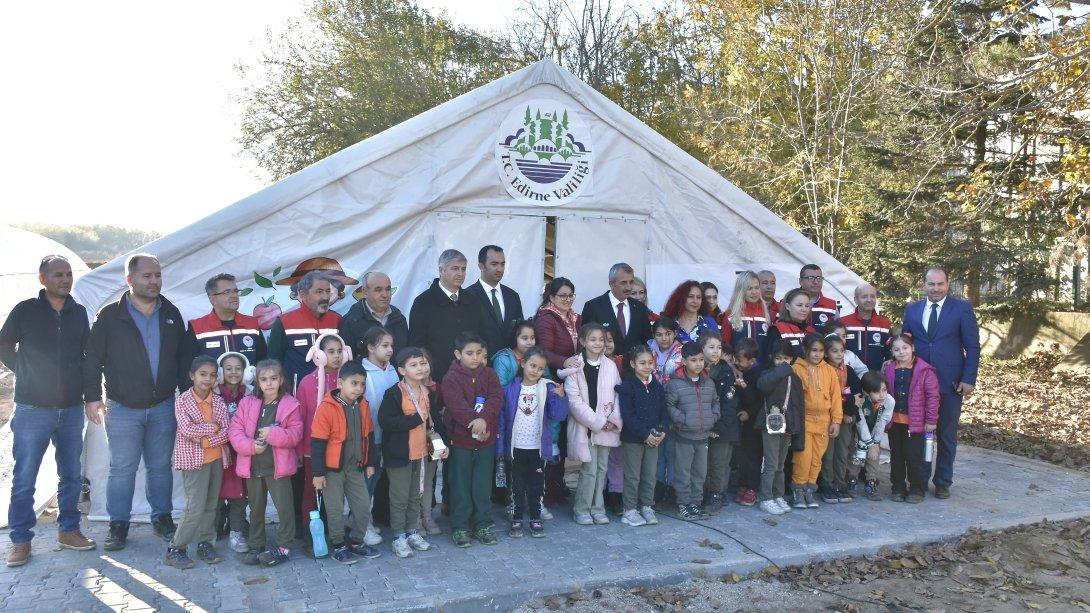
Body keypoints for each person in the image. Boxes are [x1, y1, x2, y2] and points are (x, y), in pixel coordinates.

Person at [82, 254, 188, 551]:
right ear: (130, 280)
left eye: (158, 275)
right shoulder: (110, 316)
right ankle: (118, 525)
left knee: (160, 467)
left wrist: (188, 398)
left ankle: (162, 518)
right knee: (122, 469)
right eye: (147, 276)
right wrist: (92, 397)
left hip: (163, 406)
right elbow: (92, 359)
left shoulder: (170, 312)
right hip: (123, 407)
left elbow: (181, 360)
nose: (154, 281)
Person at [0, 255, 95, 566]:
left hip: (70, 408)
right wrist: (24, 372)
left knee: (70, 474)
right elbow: (3, 345)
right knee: (24, 476)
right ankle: (21, 540)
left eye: (68, 274)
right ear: (43, 279)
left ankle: (69, 530)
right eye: (57, 275)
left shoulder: (78, 313)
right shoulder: (25, 310)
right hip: (32, 409)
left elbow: (87, 356)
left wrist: (90, 394)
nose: (65, 280)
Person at [900, 267, 980, 499]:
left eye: (940, 284)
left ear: (947, 284)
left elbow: (972, 346)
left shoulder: (962, 309)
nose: (935, 289)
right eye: (931, 284)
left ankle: (943, 481)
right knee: (918, 434)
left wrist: (968, 379)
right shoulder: (913, 309)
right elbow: (906, 342)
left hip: (950, 383)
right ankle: (920, 479)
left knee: (946, 435)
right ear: (924, 285)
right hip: (918, 384)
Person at [229, 359, 303, 567]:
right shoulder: (247, 403)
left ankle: (284, 546)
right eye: (264, 379)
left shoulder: (290, 404)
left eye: (273, 379)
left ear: (281, 380)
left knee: (284, 507)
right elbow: (235, 432)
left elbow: (295, 434)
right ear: (257, 382)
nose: (269, 383)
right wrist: (251, 447)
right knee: (256, 507)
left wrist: (273, 435)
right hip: (253, 466)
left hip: (277, 467)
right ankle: (256, 544)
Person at [379, 347, 448, 557]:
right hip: (400, 456)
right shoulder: (394, 393)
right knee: (399, 497)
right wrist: (414, 419)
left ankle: (411, 531)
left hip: (421, 454)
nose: (421, 368)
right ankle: (398, 536)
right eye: (414, 365)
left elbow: (434, 423)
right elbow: (386, 421)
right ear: (401, 370)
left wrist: (442, 445)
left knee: (414, 496)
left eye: (423, 363)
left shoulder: (429, 393)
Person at [311, 360, 382, 564]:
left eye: (362, 384)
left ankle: (357, 542)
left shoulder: (363, 405)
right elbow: (317, 442)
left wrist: (370, 463)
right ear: (340, 383)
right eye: (354, 383)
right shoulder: (326, 407)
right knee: (334, 511)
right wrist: (318, 473)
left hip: (355, 468)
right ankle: (339, 545)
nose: (359, 388)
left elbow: (368, 435)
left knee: (362, 506)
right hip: (332, 471)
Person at [165, 356, 232, 569]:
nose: (208, 379)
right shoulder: (182, 400)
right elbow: (186, 429)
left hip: (215, 460)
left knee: (211, 506)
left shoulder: (219, 401)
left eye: (212, 375)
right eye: (203, 374)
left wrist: (204, 439)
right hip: (193, 462)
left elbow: (226, 431)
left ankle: (206, 543)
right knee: (195, 507)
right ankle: (176, 548)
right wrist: (212, 428)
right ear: (192, 376)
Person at [496, 347, 569, 538]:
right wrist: (501, 448)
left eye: (540, 368)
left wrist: (561, 398)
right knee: (517, 486)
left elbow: (558, 415)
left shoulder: (548, 387)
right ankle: (517, 518)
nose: (535, 370)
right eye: (532, 365)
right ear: (523, 364)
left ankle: (536, 517)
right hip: (516, 447)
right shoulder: (510, 389)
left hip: (537, 448)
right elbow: (502, 420)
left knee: (537, 485)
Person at [441, 332, 503, 547]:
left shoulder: (490, 374)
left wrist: (484, 421)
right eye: (469, 353)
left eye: (479, 353)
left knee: (482, 484)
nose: (475, 357)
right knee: (460, 484)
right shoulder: (451, 378)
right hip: (461, 441)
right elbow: (456, 405)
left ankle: (482, 524)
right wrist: (475, 422)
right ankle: (459, 526)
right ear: (458, 354)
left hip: (486, 439)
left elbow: (496, 398)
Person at [563, 323, 622, 526]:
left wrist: (612, 420)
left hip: (607, 427)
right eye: (593, 339)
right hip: (586, 427)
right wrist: (598, 422)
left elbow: (617, 395)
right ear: (582, 342)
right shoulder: (575, 367)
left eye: (601, 340)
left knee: (602, 468)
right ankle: (582, 509)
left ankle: (598, 508)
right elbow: (574, 401)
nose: (598, 343)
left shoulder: (610, 366)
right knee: (589, 468)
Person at [294, 333, 349, 552]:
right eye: (330, 351)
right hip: (312, 449)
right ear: (319, 354)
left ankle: (331, 530)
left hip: (340, 449)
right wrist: (300, 449)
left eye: (339, 351)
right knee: (311, 491)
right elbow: (300, 418)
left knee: (335, 491)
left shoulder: (345, 381)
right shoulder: (308, 383)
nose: (336, 356)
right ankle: (311, 534)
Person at [534, 278, 581, 508]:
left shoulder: (573, 317)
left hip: (569, 379)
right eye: (562, 295)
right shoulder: (546, 318)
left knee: (561, 436)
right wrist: (566, 361)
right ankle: (549, 490)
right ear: (551, 297)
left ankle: (557, 485)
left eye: (571, 295)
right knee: (551, 435)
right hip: (551, 380)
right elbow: (543, 352)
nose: (567, 299)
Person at [409, 250, 488, 383]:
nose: (460, 273)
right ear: (441, 270)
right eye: (455, 268)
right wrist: (425, 374)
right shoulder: (423, 302)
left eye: (463, 269)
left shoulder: (473, 301)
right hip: (437, 378)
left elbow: (482, 337)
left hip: (472, 377)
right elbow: (417, 344)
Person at [665, 342, 719, 521]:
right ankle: (683, 504)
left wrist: (713, 416)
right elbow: (669, 405)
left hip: (703, 436)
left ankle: (696, 503)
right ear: (684, 361)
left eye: (701, 360)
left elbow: (715, 402)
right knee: (683, 472)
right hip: (684, 436)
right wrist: (683, 420)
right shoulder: (676, 384)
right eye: (693, 360)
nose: (698, 364)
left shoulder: (709, 382)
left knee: (700, 473)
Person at [884, 333, 940, 503]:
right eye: (896, 349)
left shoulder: (924, 370)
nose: (901, 352)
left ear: (913, 348)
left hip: (915, 424)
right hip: (895, 422)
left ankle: (917, 488)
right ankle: (898, 487)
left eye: (905, 348)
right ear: (892, 352)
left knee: (914, 456)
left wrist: (931, 420)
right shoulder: (889, 369)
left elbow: (933, 396)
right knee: (897, 456)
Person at [617, 345, 667, 527]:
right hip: (634, 439)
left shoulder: (656, 385)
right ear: (632, 364)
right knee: (632, 475)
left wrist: (662, 431)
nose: (647, 366)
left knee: (649, 474)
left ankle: (647, 505)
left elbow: (664, 411)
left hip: (654, 439)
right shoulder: (628, 386)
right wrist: (645, 434)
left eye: (650, 362)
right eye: (642, 363)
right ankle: (629, 510)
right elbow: (628, 415)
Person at [790, 334, 842, 509]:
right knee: (803, 457)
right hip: (805, 421)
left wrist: (836, 420)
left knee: (817, 458)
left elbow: (836, 398)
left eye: (821, 351)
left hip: (824, 422)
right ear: (805, 350)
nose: (817, 354)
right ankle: (798, 490)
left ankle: (810, 490)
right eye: (813, 350)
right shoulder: (797, 369)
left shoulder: (829, 370)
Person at [268, 270, 342, 393]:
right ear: (303, 294)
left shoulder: (337, 320)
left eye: (327, 291)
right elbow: (273, 364)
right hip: (297, 398)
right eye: (319, 292)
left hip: (332, 396)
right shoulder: (284, 322)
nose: (325, 297)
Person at [755, 340, 805, 515]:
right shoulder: (769, 374)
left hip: (787, 425)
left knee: (780, 464)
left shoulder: (796, 379)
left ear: (792, 359)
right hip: (770, 423)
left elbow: (799, 406)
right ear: (772, 358)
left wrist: (798, 430)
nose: (782, 362)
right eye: (778, 358)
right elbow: (761, 385)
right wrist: (782, 370)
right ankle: (766, 498)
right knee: (770, 463)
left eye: (786, 359)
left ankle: (778, 495)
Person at [213, 352, 252, 553]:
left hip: (241, 455)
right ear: (221, 372)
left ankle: (237, 531)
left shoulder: (250, 393)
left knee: (239, 495)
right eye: (229, 368)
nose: (234, 372)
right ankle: (214, 529)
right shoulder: (213, 394)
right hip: (220, 454)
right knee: (217, 494)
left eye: (238, 368)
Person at [817, 334, 861, 505]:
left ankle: (839, 483)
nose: (839, 354)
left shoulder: (848, 371)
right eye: (834, 351)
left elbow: (855, 394)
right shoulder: (822, 370)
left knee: (842, 451)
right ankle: (827, 484)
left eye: (842, 351)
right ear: (826, 353)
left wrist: (850, 412)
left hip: (845, 418)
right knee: (828, 453)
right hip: (827, 418)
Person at [187, 273, 267, 364]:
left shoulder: (252, 324)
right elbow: (188, 369)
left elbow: (263, 364)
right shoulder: (197, 328)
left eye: (235, 291)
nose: (234, 295)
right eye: (227, 292)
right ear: (212, 298)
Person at [700, 333, 739, 515]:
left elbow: (729, 404)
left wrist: (718, 428)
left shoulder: (725, 372)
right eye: (711, 347)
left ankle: (717, 495)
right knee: (703, 464)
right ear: (702, 349)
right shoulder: (697, 370)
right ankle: (702, 494)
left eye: (719, 347)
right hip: (702, 426)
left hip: (722, 428)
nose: (716, 351)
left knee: (719, 463)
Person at [581, 263, 654, 356]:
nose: (628, 287)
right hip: (604, 367)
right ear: (611, 284)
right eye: (623, 283)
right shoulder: (593, 307)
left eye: (631, 282)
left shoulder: (640, 308)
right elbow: (586, 341)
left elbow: (647, 341)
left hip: (633, 368)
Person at [466, 245, 525, 354]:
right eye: (494, 264)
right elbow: (466, 335)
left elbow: (520, 331)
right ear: (481, 266)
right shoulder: (467, 296)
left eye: (502, 264)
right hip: (480, 365)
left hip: (511, 365)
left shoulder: (513, 296)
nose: (500, 269)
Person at [339, 271, 409, 362]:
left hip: (396, 375)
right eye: (378, 290)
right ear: (365, 292)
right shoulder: (351, 321)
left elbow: (406, 355)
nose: (385, 295)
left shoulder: (399, 318)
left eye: (388, 289)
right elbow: (346, 361)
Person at [731, 339, 762, 507]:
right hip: (741, 422)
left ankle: (753, 488)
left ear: (752, 361)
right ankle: (742, 484)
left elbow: (758, 400)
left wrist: (749, 413)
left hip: (754, 423)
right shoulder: (740, 371)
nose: (737, 362)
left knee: (753, 456)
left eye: (740, 359)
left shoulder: (758, 374)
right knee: (741, 455)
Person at [856, 371, 894, 501]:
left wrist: (875, 443)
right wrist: (868, 442)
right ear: (867, 392)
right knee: (856, 456)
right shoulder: (860, 400)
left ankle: (871, 482)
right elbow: (860, 423)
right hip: (858, 432)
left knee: (874, 456)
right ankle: (852, 480)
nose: (882, 395)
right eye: (877, 392)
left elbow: (882, 422)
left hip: (874, 432)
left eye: (884, 390)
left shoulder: (889, 401)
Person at [721, 271, 773, 364]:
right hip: (738, 371)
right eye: (749, 288)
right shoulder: (730, 315)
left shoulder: (766, 313)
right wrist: (732, 367)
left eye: (756, 288)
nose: (754, 292)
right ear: (741, 290)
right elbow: (725, 348)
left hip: (762, 372)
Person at [841, 284, 892, 372]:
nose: (869, 300)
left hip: (877, 378)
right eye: (864, 297)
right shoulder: (843, 323)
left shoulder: (885, 323)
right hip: (850, 377)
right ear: (855, 300)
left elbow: (890, 353)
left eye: (872, 296)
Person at [765, 288, 815, 361]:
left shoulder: (811, 331)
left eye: (807, 306)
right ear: (787, 306)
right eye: (799, 305)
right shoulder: (777, 330)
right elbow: (770, 361)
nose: (804, 309)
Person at [493, 320, 543, 386]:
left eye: (532, 338)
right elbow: (500, 389)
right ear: (515, 338)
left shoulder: (538, 356)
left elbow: (547, 380)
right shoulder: (502, 359)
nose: (530, 342)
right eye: (525, 338)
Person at [648, 317, 683, 383]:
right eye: (659, 335)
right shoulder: (647, 352)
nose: (664, 338)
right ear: (653, 335)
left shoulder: (683, 352)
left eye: (668, 334)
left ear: (675, 334)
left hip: (675, 391)